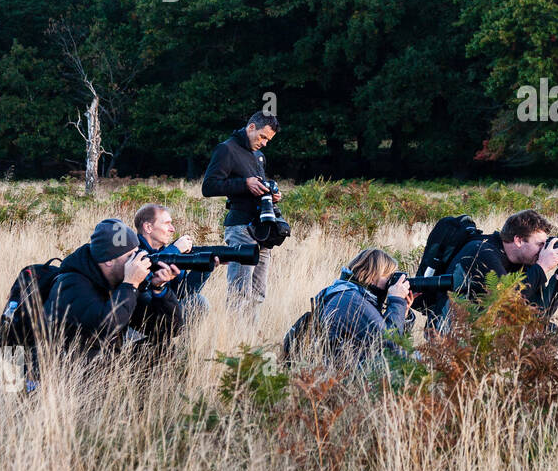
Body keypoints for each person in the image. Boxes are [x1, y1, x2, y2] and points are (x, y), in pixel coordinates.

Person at [42, 218, 183, 364]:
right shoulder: (71, 285)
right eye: (130, 256)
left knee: (163, 349)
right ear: (108, 260)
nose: (135, 262)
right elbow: (103, 330)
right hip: (72, 368)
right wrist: (130, 284)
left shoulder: (120, 281)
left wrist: (159, 290)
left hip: (108, 361)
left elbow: (169, 329)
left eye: (137, 253)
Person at [441, 209, 558, 328]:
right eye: (539, 244)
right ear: (518, 240)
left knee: (548, 330)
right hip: (452, 334)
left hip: (484, 328)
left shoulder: (524, 262)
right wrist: (542, 267)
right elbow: (507, 301)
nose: (543, 250)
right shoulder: (482, 252)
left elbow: (541, 313)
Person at [201, 111, 281, 320]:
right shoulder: (226, 149)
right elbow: (208, 187)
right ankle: (233, 344)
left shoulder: (258, 155)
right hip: (240, 228)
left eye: (268, 140)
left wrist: (271, 195)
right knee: (240, 293)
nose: (264, 143)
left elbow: (258, 187)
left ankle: (250, 345)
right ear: (251, 127)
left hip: (263, 229)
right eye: (263, 137)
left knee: (258, 294)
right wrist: (244, 184)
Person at [282, 248, 411, 365]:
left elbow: (388, 338)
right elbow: (391, 343)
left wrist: (402, 313)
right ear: (372, 276)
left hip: (341, 368)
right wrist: (397, 302)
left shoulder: (347, 293)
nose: (391, 283)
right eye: (388, 277)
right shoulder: (352, 301)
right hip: (346, 376)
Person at [134, 202, 217, 319]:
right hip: (139, 319)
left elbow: (184, 292)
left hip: (163, 314)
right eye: (167, 224)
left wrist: (205, 266)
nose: (172, 229)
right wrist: (175, 249)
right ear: (148, 227)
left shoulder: (168, 252)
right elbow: (145, 283)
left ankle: (182, 337)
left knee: (198, 302)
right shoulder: (132, 251)